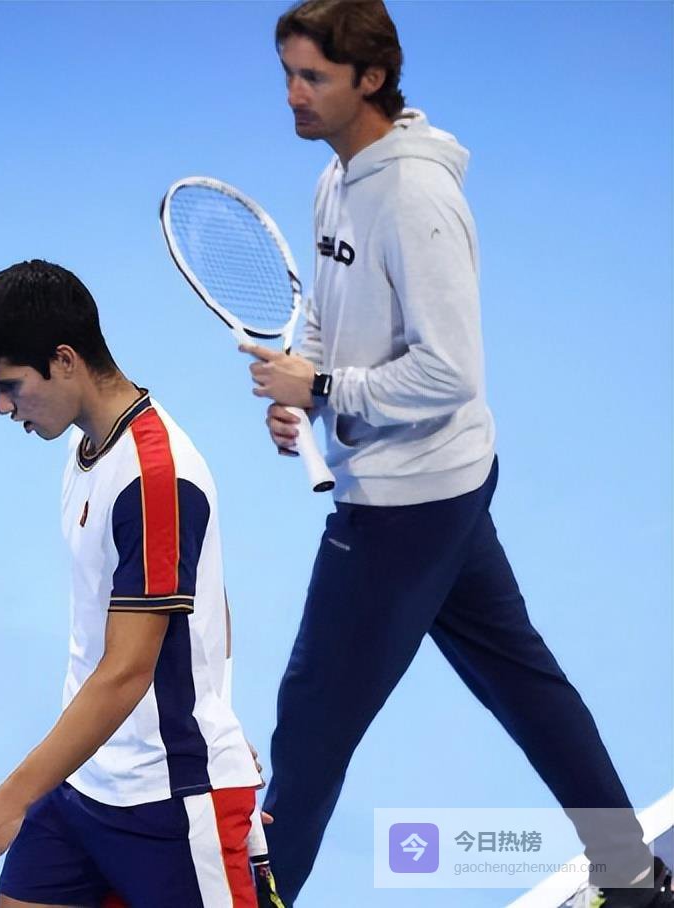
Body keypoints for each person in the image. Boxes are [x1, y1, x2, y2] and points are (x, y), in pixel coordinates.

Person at [241, 2, 672, 906]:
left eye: (312, 76)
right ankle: (633, 876)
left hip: (406, 505)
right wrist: (305, 385)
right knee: (522, 681)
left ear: (371, 79)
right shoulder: (337, 178)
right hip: (443, 487)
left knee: (312, 720)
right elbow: (325, 310)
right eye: (286, 73)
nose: (292, 95)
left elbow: (450, 372)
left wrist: (326, 389)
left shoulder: (415, 200)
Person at [0, 259, 283, 907]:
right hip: (84, 780)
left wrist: (11, 800)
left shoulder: (154, 477)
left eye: (10, 386)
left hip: (169, 798)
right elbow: (206, 597)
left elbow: (126, 672)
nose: (2, 407)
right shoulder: (87, 449)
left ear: (64, 361)